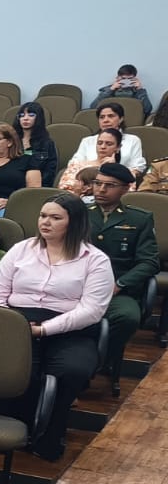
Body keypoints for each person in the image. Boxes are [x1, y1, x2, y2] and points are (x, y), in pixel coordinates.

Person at [0, 193, 115, 460]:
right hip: (16, 322)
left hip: (69, 329)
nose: (46, 222)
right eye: (43, 216)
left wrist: (45, 329)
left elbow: (92, 309)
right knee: (13, 368)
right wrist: (9, 322)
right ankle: (10, 430)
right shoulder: (21, 249)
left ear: (74, 222)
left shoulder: (95, 259)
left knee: (73, 370)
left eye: (55, 218)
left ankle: (50, 434)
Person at [88, 163, 160, 380]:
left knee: (127, 317)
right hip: (78, 286)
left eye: (109, 185)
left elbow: (149, 262)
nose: (101, 189)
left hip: (117, 288)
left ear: (125, 189)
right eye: (97, 183)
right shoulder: (79, 214)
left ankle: (104, 360)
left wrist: (120, 285)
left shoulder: (139, 219)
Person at [16, 102, 62, 187]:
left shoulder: (46, 143)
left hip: (37, 186)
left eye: (31, 115)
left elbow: (49, 172)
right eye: (22, 115)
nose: (25, 118)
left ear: (39, 118)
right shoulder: (10, 141)